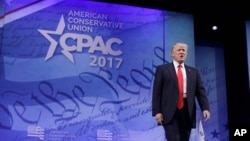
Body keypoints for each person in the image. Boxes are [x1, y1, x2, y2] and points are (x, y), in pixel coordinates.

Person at [152, 42, 210, 141]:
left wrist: (205, 108)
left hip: (187, 111)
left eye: (184, 50)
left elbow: (200, 91)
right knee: (174, 139)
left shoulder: (193, 72)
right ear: (172, 54)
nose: (181, 52)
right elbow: (156, 92)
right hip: (169, 112)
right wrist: (157, 112)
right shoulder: (162, 69)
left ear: (186, 54)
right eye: (179, 50)